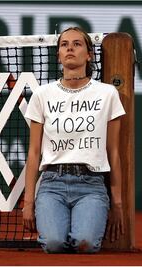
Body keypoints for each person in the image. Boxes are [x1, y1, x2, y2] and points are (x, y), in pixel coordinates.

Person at [23, 27, 125, 253]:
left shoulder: (107, 94)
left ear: (89, 54)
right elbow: (34, 152)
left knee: (85, 244)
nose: (70, 48)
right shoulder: (42, 95)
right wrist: (28, 202)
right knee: (53, 243)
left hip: (91, 185)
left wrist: (117, 204)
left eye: (77, 44)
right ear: (58, 54)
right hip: (51, 183)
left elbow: (114, 152)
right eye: (64, 44)